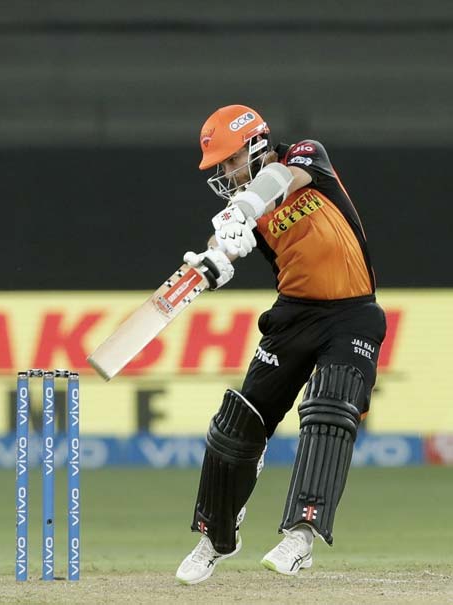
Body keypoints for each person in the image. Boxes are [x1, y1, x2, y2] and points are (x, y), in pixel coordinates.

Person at [175, 105, 387, 584]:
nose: (227, 174)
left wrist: (243, 210)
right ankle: (216, 537)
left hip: (352, 313)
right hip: (293, 316)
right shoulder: (240, 210)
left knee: (329, 412)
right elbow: (225, 238)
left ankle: (300, 536)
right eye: (221, 167)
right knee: (238, 424)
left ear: (255, 145)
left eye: (231, 161)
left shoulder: (305, 157)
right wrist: (216, 255)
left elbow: (279, 181)